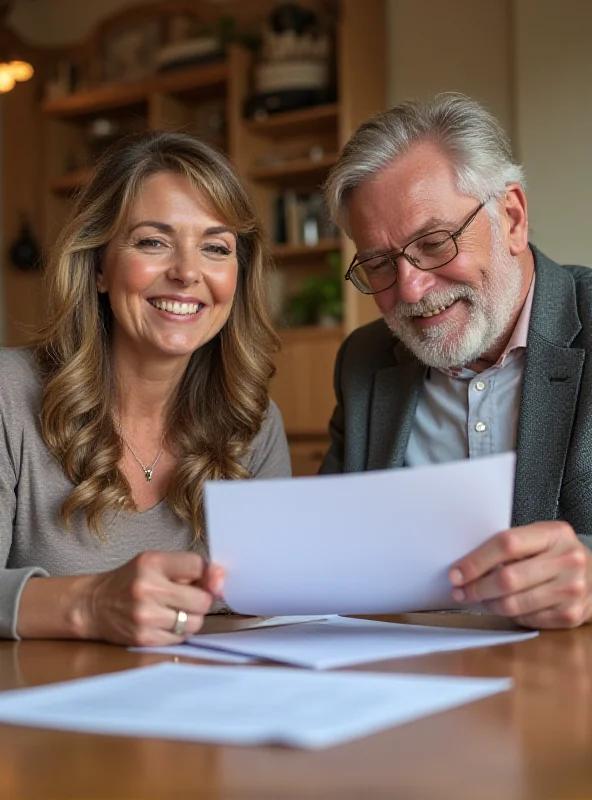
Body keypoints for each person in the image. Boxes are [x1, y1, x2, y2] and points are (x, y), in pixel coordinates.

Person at [0, 130, 291, 644]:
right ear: (97, 268)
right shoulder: (8, 395)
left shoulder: (254, 422)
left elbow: (274, 607)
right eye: (153, 242)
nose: (186, 272)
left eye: (216, 247)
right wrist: (89, 604)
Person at [321, 94, 592, 630]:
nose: (411, 287)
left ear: (512, 218)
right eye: (378, 263)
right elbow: (331, 547)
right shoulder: (365, 361)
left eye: (435, 242)